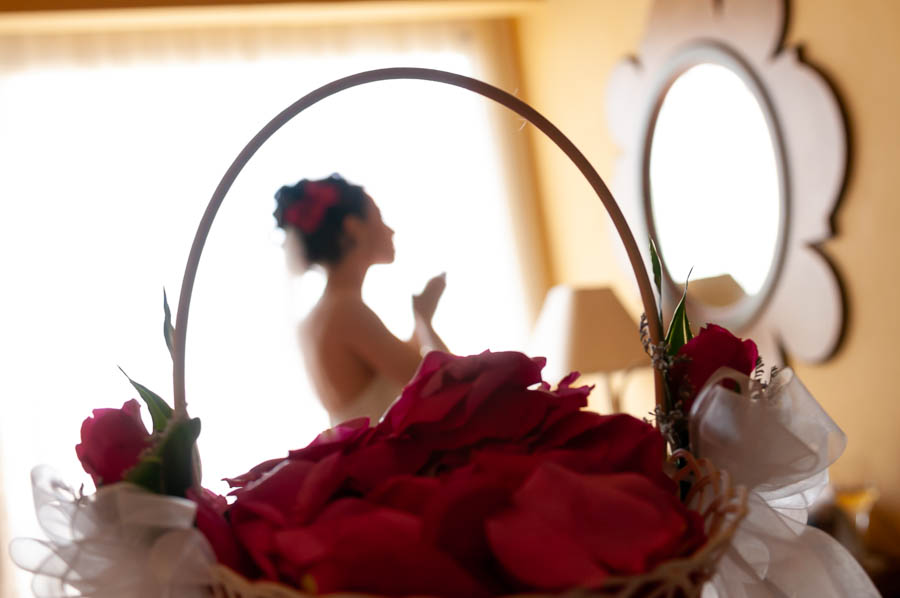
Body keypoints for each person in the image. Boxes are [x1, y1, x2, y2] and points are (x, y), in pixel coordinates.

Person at [274, 174, 448, 426]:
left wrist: (422, 319)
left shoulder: (321, 315)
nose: (391, 230)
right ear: (354, 228)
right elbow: (437, 384)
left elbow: (391, 367)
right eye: (379, 217)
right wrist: (424, 322)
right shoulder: (346, 312)